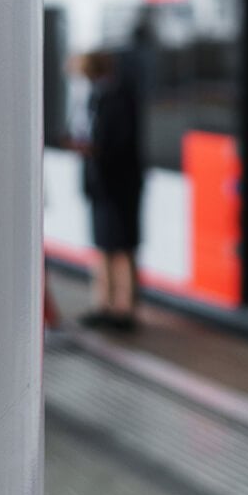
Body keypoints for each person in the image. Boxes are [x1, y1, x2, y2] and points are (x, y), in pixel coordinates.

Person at [75, 50, 143, 331]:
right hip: (102, 187)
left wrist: (93, 151)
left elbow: (117, 143)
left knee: (120, 248)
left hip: (118, 187)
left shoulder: (118, 97)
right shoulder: (98, 97)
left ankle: (123, 309)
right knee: (103, 247)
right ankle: (104, 304)